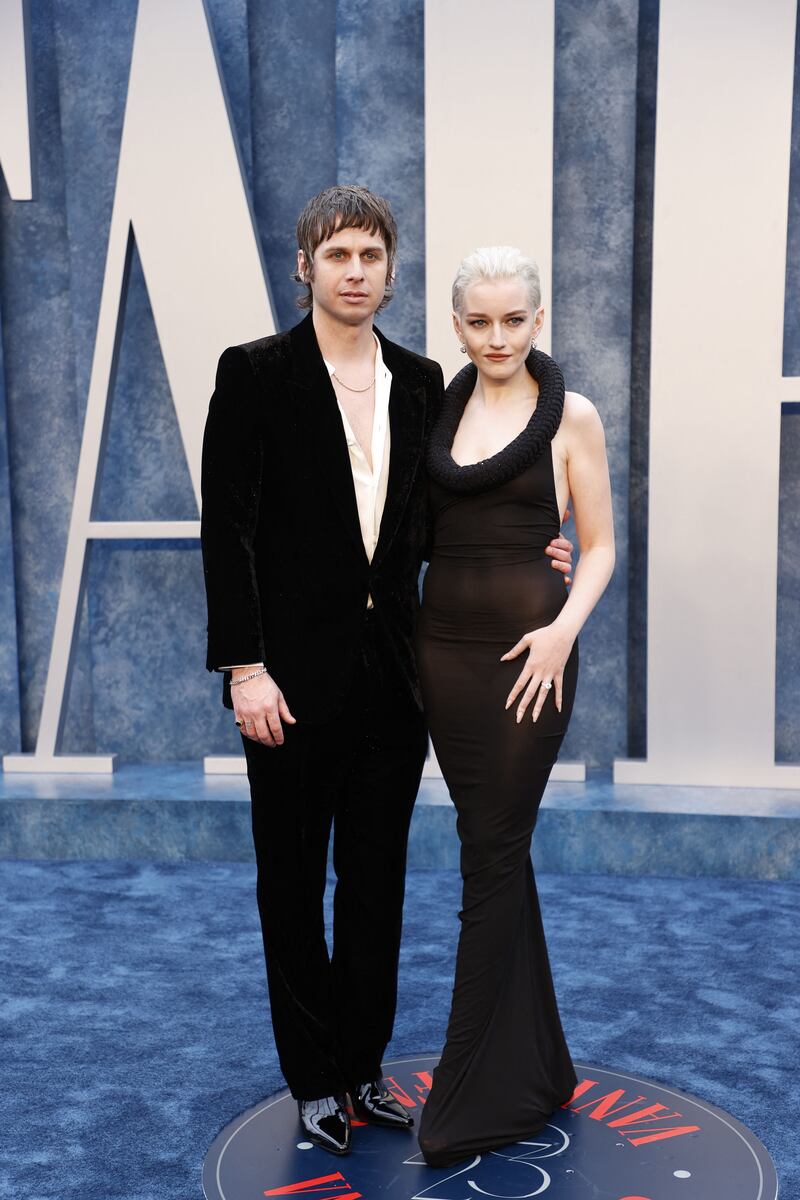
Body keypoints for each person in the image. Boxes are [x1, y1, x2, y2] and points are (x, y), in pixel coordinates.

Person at [201, 190, 575, 1157]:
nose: (355, 270)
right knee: (291, 882)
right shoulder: (253, 375)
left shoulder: (421, 382)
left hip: (395, 684)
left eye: (372, 253)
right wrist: (245, 668)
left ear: (393, 270)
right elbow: (227, 533)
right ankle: (314, 1079)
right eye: (337, 255)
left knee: (375, 885)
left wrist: (545, 556)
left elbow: (449, 514)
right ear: (304, 268)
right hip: (284, 683)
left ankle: (363, 1070)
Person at [416, 246, 615, 1167]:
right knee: (490, 844)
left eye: (515, 319)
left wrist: (563, 629)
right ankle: (538, 1067)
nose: (498, 337)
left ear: (539, 321)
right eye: (480, 321)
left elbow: (602, 546)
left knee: (491, 855)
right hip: (443, 660)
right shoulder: (430, 413)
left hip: (533, 661)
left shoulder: (572, 416)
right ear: (457, 326)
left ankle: (464, 1099)